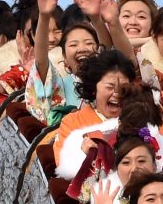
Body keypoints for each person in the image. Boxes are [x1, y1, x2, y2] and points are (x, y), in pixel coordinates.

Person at [25, 0, 102, 125]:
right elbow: (41, 60)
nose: (81, 48)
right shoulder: (60, 84)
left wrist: (97, 19)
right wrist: (44, 16)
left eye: (88, 43)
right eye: (73, 45)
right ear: (64, 57)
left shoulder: (108, 80)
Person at [51, 50, 138, 179]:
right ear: (93, 89)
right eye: (110, 87)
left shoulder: (138, 119)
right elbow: (63, 167)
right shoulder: (72, 122)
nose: (117, 94)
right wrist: (83, 154)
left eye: (124, 88)